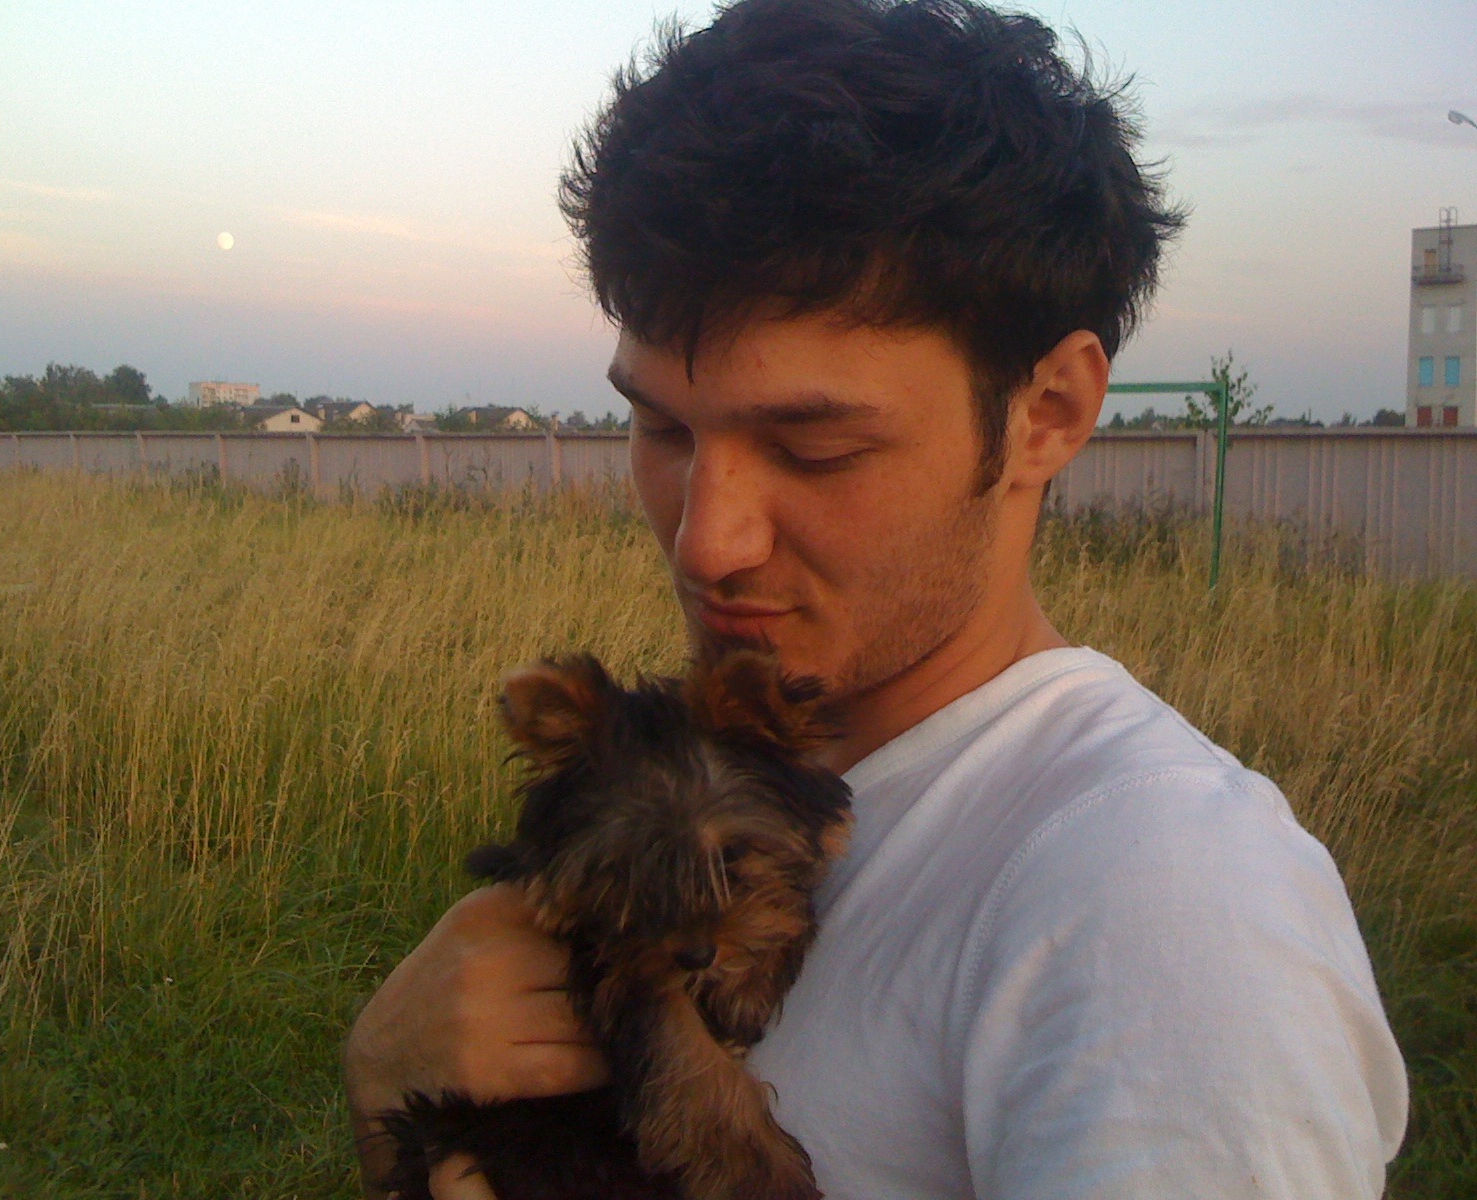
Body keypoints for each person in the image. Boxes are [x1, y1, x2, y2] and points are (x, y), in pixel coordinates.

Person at [344, 1, 1409, 1196]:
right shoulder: (671, 785)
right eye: (660, 429)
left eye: (814, 448)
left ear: (1047, 413)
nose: (706, 541)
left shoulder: (1165, 902)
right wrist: (391, 1081)